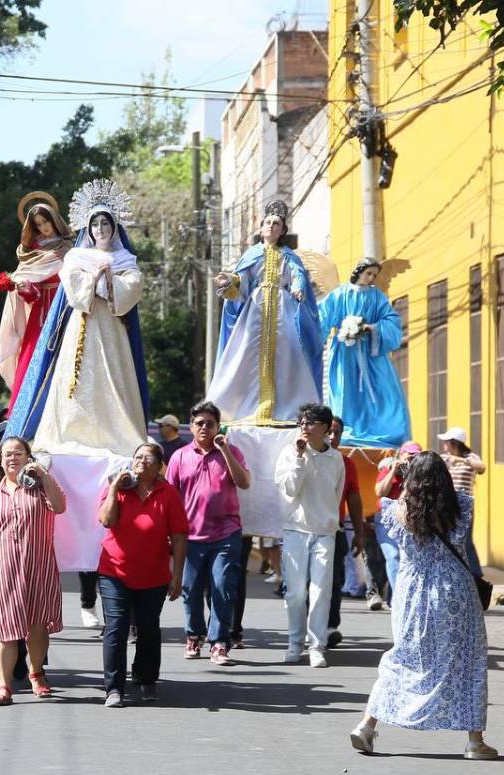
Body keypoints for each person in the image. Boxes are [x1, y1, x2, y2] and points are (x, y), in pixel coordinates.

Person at [350, 451, 497, 760]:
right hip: (454, 590)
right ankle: (474, 741)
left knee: (404, 656)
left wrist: (404, 474)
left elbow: (404, 507)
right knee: (467, 659)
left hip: (411, 592)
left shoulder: (398, 510)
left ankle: (367, 724)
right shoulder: (461, 507)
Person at [5, 178, 149, 457]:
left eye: (105, 223)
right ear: (88, 228)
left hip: (111, 327)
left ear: (114, 226)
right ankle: (72, 431)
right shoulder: (76, 256)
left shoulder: (126, 259)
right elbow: (71, 285)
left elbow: (132, 288)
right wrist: (97, 279)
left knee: (115, 378)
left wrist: (109, 284)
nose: (100, 229)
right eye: (95, 225)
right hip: (83, 324)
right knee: (75, 376)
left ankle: (118, 434)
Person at [0, 437, 66, 705]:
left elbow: (60, 506)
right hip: (5, 570)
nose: (12, 458)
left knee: (38, 626)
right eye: (7, 454)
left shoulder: (41, 488)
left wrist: (43, 474)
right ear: (0, 461)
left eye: (19, 453)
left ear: (28, 457)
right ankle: (4, 686)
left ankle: (36, 672)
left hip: (40, 567)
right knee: (6, 629)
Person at [207, 200, 322, 425]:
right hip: (256, 308)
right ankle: (241, 407)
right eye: (268, 222)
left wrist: (298, 286)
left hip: (283, 306)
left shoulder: (289, 255)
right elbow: (243, 280)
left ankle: (287, 408)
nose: (271, 226)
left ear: (282, 230)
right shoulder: (252, 253)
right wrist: (229, 280)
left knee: (288, 352)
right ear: (261, 228)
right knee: (244, 351)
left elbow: (297, 275)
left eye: (276, 224)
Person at [96, 441, 187, 707]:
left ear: (159, 466)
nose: (141, 462)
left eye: (148, 459)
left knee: (148, 628)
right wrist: (114, 487)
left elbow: (179, 537)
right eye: (137, 457)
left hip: (153, 576)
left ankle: (146, 678)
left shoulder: (167, 493)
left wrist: (178, 575)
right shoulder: (120, 487)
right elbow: (106, 521)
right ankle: (114, 688)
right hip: (114, 571)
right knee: (117, 628)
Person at [166, 401, 251, 665]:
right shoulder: (180, 456)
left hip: (226, 533)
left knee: (222, 587)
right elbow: (169, 496)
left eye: (210, 423)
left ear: (218, 427)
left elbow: (244, 483)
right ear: (191, 427)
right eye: (199, 423)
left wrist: (224, 450)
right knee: (190, 589)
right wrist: (168, 532)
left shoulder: (232, 451)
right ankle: (194, 635)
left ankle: (219, 643)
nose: (205, 427)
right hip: (190, 536)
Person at [275, 403, 345, 668]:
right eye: (302, 422)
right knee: (295, 593)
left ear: (326, 428)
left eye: (311, 423)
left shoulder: (336, 458)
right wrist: (299, 457)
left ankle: (317, 646)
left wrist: (330, 522)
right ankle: (295, 643)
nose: (305, 427)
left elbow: (335, 496)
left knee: (320, 593)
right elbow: (291, 489)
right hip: (296, 530)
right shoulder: (288, 453)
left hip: (325, 532)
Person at [0, 193, 73, 414]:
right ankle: (25, 410)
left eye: (45, 221)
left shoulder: (69, 246)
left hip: (64, 304)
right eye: (38, 224)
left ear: (54, 220)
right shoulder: (33, 251)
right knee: (33, 356)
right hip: (41, 311)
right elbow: (29, 278)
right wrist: (23, 288)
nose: (43, 227)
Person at [319, 258, 411, 447]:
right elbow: (322, 315)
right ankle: (344, 430)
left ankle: (383, 431)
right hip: (345, 353)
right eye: (368, 273)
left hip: (371, 354)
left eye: (374, 275)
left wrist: (372, 327)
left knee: (384, 391)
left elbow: (391, 320)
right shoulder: (340, 294)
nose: (370, 278)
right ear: (358, 271)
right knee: (346, 390)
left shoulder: (377, 297)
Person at [327, 416, 365, 648]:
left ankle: (330, 626)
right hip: (306, 532)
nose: (333, 437)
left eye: (337, 433)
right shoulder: (303, 458)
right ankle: (304, 626)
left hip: (335, 531)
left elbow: (353, 497)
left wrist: (359, 534)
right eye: (329, 431)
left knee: (333, 581)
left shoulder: (346, 463)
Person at [372, 441, 424, 601]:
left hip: (409, 519)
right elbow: (380, 492)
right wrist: (394, 470)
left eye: (415, 456)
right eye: (409, 455)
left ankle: (400, 595)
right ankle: (399, 598)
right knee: (393, 556)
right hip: (386, 519)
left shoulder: (421, 473)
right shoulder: (389, 469)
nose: (411, 460)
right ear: (401, 455)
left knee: (406, 557)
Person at [438, 427, 486, 575]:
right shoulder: (444, 458)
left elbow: (481, 468)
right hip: (447, 504)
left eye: (446, 442)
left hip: (465, 505)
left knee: (465, 540)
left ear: (454, 443)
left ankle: (476, 574)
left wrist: (460, 460)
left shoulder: (470, 457)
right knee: (447, 539)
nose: (444, 445)